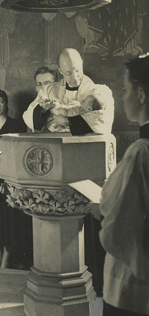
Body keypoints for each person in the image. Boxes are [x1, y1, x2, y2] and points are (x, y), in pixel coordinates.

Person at [92, 54, 149, 315]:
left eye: (125, 90)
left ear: (141, 95)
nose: (122, 97)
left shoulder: (141, 151)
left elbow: (119, 226)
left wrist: (100, 207)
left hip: (133, 283)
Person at [0, 89, 30, 268]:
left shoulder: (16, 125)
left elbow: (19, 155)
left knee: (8, 217)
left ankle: (7, 259)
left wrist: (0, 145)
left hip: (9, 175)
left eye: (0, 101)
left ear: (6, 103)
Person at [23, 48, 114, 135]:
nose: (74, 76)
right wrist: (43, 109)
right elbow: (29, 119)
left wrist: (67, 121)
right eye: (68, 73)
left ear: (81, 63)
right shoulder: (48, 90)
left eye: (77, 70)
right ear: (60, 71)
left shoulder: (100, 92)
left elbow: (102, 120)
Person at [48, 84, 113, 132]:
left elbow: (67, 113)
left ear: (89, 109)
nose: (82, 101)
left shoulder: (101, 91)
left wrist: (57, 110)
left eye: (84, 101)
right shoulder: (82, 106)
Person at [23, 66, 58, 132]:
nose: (43, 88)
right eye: (39, 84)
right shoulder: (31, 110)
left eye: (47, 83)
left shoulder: (67, 101)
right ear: (36, 88)